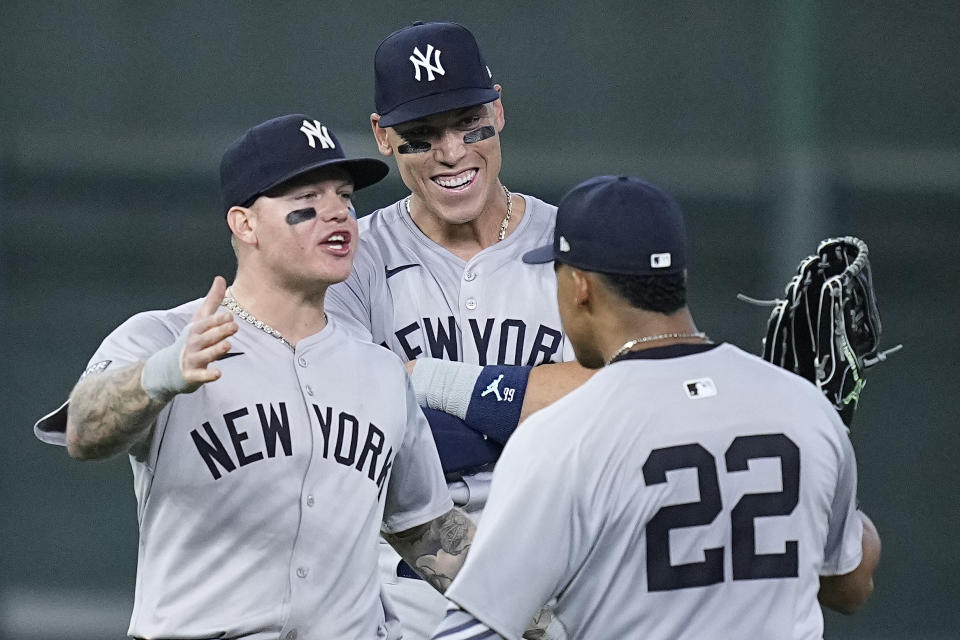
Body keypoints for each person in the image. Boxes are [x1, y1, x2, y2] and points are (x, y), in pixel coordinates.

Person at [33, 114, 477, 640]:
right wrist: (162, 375)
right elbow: (84, 430)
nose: (337, 213)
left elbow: (427, 533)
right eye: (306, 200)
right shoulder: (164, 336)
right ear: (245, 224)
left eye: (344, 197)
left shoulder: (380, 370)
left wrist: (551, 618)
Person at [431, 175, 882, 640]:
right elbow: (851, 585)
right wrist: (829, 425)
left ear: (579, 285)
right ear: (679, 278)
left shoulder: (565, 435)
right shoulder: (803, 409)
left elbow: (473, 632)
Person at [324, 21, 587, 639]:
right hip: (405, 597)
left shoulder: (577, 244)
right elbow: (350, 427)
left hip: (567, 586)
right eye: (421, 135)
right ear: (381, 137)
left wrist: (426, 385)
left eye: (467, 123)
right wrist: (528, 410)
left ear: (498, 107)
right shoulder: (352, 258)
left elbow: (625, 395)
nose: (449, 152)